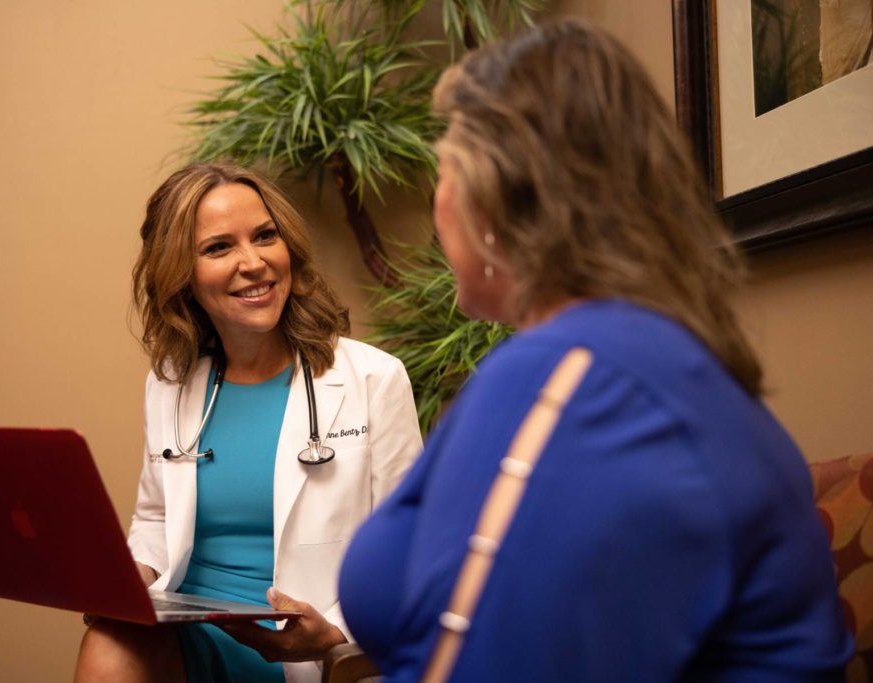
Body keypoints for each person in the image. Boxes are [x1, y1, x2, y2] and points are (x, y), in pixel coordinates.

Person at [338, 19, 853, 682]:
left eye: (443, 171)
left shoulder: (577, 383)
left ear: (494, 195)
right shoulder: (639, 365)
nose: (438, 203)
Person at [75, 161, 423, 683]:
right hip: (188, 631)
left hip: (303, 645)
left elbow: (410, 548)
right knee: (110, 643)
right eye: (219, 248)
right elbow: (153, 520)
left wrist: (333, 629)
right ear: (181, 275)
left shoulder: (374, 378)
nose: (254, 262)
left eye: (265, 237)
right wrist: (128, 579)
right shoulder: (171, 383)